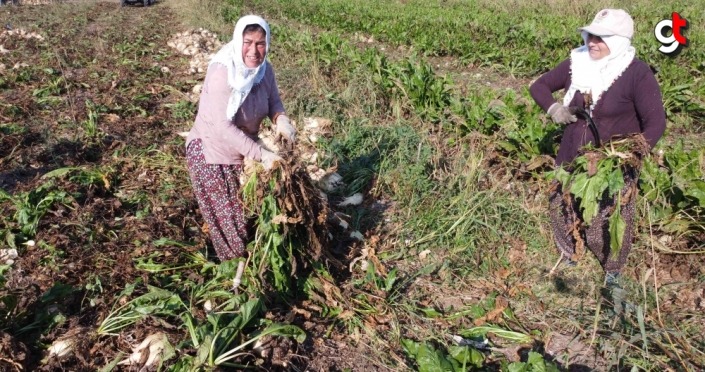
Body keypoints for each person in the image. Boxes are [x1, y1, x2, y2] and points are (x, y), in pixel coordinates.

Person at [529, 9, 666, 287]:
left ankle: (612, 269)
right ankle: (569, 253)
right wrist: (554, 107)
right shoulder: (576, 62)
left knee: (609, 217)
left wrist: (633, 152)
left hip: (610, 163)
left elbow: (656, 122)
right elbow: (539, 86)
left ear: (617, 41)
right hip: (571, 153)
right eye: (591, 35)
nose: (592, 42)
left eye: (601, 38)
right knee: (561, 203)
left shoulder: (635, 73)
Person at [185, 15, 296, 263]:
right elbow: (222, 128)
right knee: (230, 221)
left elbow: (273, 101)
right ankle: (235, 271)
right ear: (238, 41)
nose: (254, 51)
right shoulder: (222, 73)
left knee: (245, 212)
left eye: (261, 43)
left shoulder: (264, 71)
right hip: (210, 154)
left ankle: (246, 259)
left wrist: (281, 120)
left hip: (241, 150)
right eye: (248, 42)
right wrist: (262, 154)